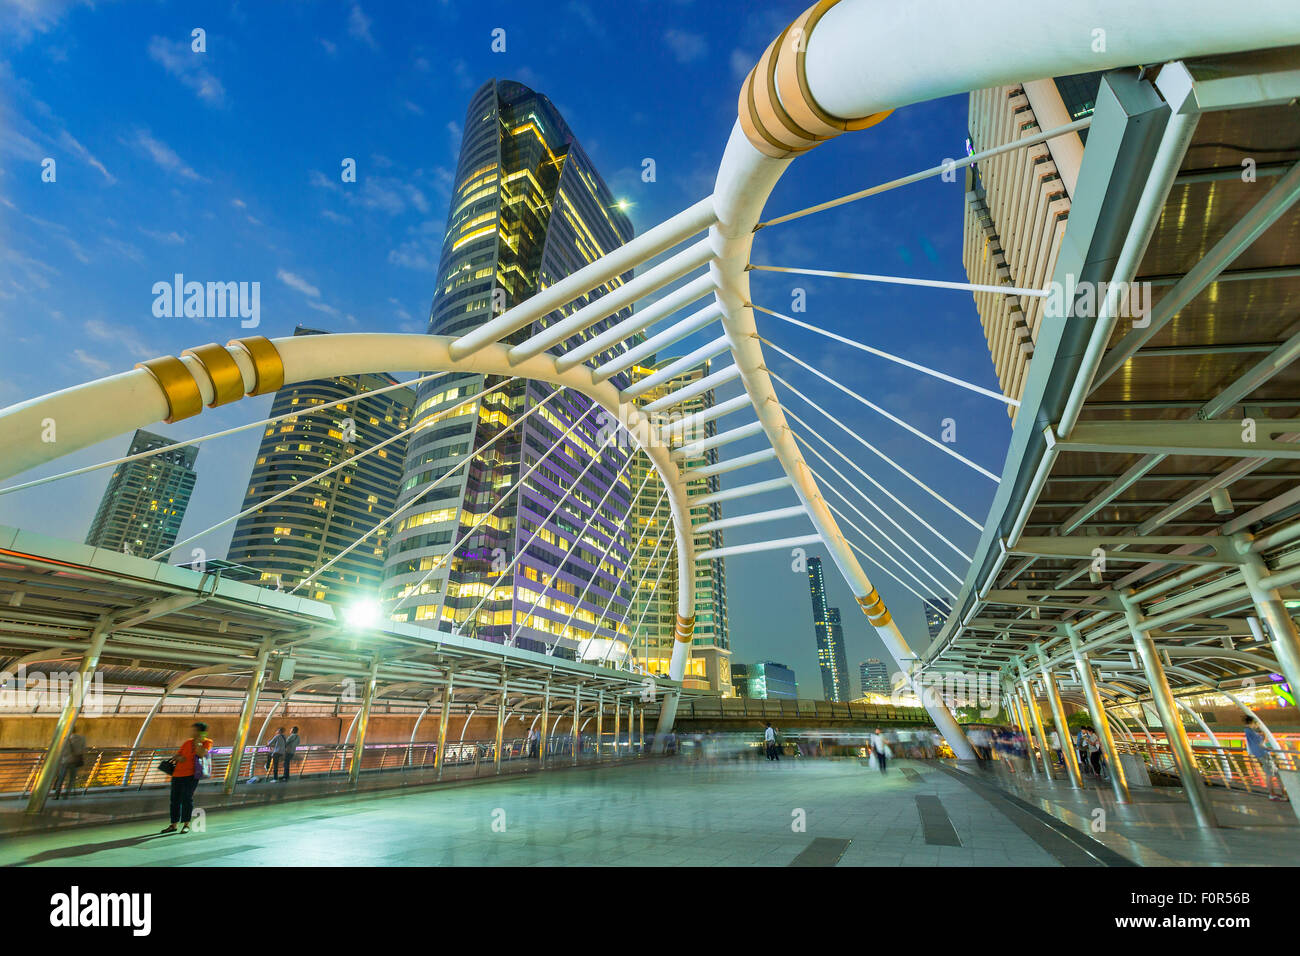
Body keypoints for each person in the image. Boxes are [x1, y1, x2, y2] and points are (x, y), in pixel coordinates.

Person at [161, 722, 212, 834]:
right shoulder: (187, 742)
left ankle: (186, 824)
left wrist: (198, 740)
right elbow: (178, 755)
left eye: (195, 730)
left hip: (191, 776)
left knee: (187, 799)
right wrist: (179, 758)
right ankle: (173, 824)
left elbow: (201, 754)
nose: (192, 732)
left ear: (201, 732)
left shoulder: (206, 742)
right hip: (177, 775)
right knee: (174, 800)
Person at [1243, 716, 1284, 801]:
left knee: (1274, 773)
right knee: (1270, 775)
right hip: (1263, 754)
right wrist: (1264, 737)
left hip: (1262, 754)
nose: (1257, 725)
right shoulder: (1250, 731)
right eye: (1256, 723)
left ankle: (1277, 793)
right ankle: (1272, 794)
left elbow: (1256, 743)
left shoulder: (1248, 731)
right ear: (1252, 723)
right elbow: (1260, 743)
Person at [51, 724, 87, 800]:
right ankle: (66, 795)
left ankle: (57, 794)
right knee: (72, 779)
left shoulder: (65, 739)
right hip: (75, 761)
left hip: (65, 761)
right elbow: (83, 750)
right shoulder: (81, 739)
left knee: (61, 778)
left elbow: (62, 751)